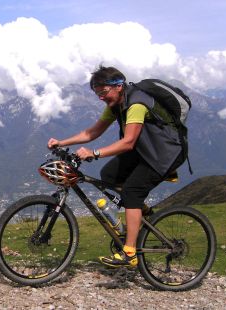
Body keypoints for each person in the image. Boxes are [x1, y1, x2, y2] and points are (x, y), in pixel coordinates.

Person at [47, 66, 185, 268]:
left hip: (164, 155)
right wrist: (62, 142)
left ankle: (130, 253)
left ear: (119, 86)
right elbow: (91, 132)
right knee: (108, 175)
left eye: (103, 92)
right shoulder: (116, 105)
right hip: (144, 151)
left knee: (132, 191)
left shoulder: (136, 104)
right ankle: (140, 210)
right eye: (97, 94)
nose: (101, 97)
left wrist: (94, 153)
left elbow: (128, 142)